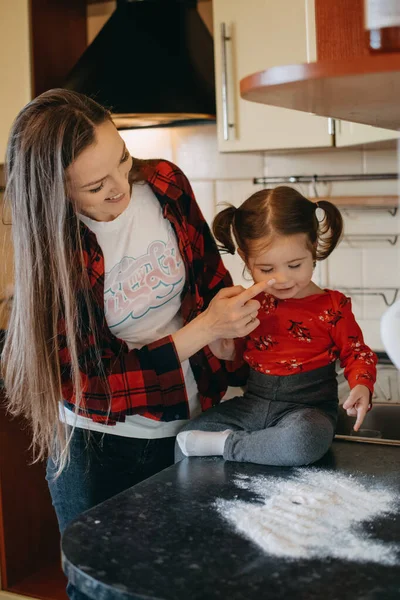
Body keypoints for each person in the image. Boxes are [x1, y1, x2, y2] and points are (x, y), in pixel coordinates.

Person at [1, 89, 267, 600]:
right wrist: (205, 330)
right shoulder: (55, 256)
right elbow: (97, 384)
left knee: (188, 581)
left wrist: (231, 339)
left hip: (190, 429)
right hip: (97, 451)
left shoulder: (164, 182)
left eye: (123, 160)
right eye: (98, 185)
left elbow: (207, 278)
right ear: (53, 192)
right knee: (105, 590)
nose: (122, 186)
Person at [176, 187, 377, 465]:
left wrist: (362, 386)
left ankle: (228, 445)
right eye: (267, 270)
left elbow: (357, 354)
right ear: (247, 261)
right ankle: (249, 450)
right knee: (185, 437)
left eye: (295, 265)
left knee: (302, 443)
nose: (282, 279)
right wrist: (226, 352)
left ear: (313, 250)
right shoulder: (247, 303)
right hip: (252, 405)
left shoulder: (333, 307)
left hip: (307, 411)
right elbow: (239, 360)